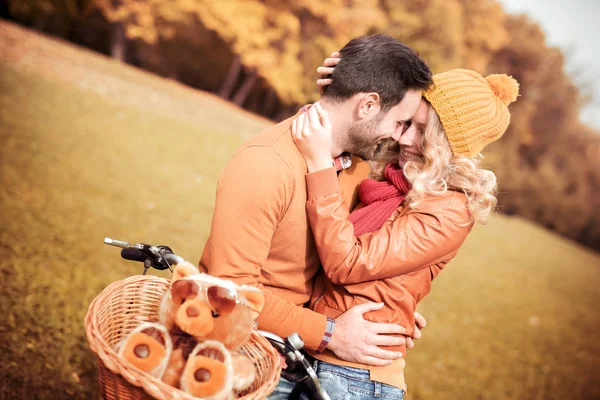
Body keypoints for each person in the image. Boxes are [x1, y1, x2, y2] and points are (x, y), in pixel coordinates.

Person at [198, 34, 432, 397]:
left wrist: (389, 304)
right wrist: (330, 333)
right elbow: (228, 290)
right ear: (368, 105)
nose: (400, 138)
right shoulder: (264, 164)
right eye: (400, 122)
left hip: (299, 356)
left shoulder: (355, 167)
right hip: (245, 354)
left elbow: (342, 253)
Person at [290, 66, 519, 399]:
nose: (404, 138)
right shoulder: (394, 180)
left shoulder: (451, 211)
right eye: (407, 122)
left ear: (450, 144)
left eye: (422, 130)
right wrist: (342, 81)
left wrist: (319, 166)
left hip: (354, 378)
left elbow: (348, 263)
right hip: (322, 354)